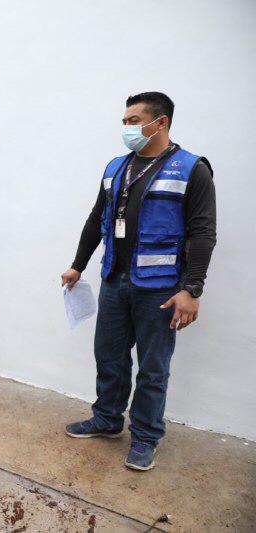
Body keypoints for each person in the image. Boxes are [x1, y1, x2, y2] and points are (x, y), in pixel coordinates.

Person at [61, 92, 216, 471]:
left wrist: (191, 289)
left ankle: (146, 437)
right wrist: (78, 265)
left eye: (133, 120)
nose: (126, 128)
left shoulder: (191, 169)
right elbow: (97, 219)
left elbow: (203, 232)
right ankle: (107, 419)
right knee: (109, 357)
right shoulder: (116, 167)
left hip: (161, 289)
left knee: (152, 367)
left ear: (159, 122)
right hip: (115, 280)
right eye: (126, 121)